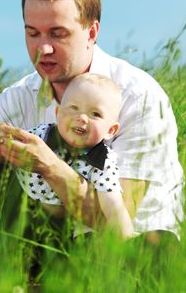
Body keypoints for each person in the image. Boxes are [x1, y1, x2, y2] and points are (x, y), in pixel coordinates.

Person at [0, 0, 183, 246]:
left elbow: (118, 220)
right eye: (32, 33)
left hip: (129, 250)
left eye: (57, 33)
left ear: (91, 32)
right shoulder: (17, 98)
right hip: (48, 240)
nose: (44, 48)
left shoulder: (138, 96)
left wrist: (49, 166)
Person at [13, 72, 134, 239]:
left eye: (95, 114)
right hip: (21, 208)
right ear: (58, 112)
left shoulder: (102, 161)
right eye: (73, 108)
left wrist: (125, 239)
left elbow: (113, 205)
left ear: (110, 130)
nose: (82, 117)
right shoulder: (41, 136)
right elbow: (10, 146)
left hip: (64, 229)